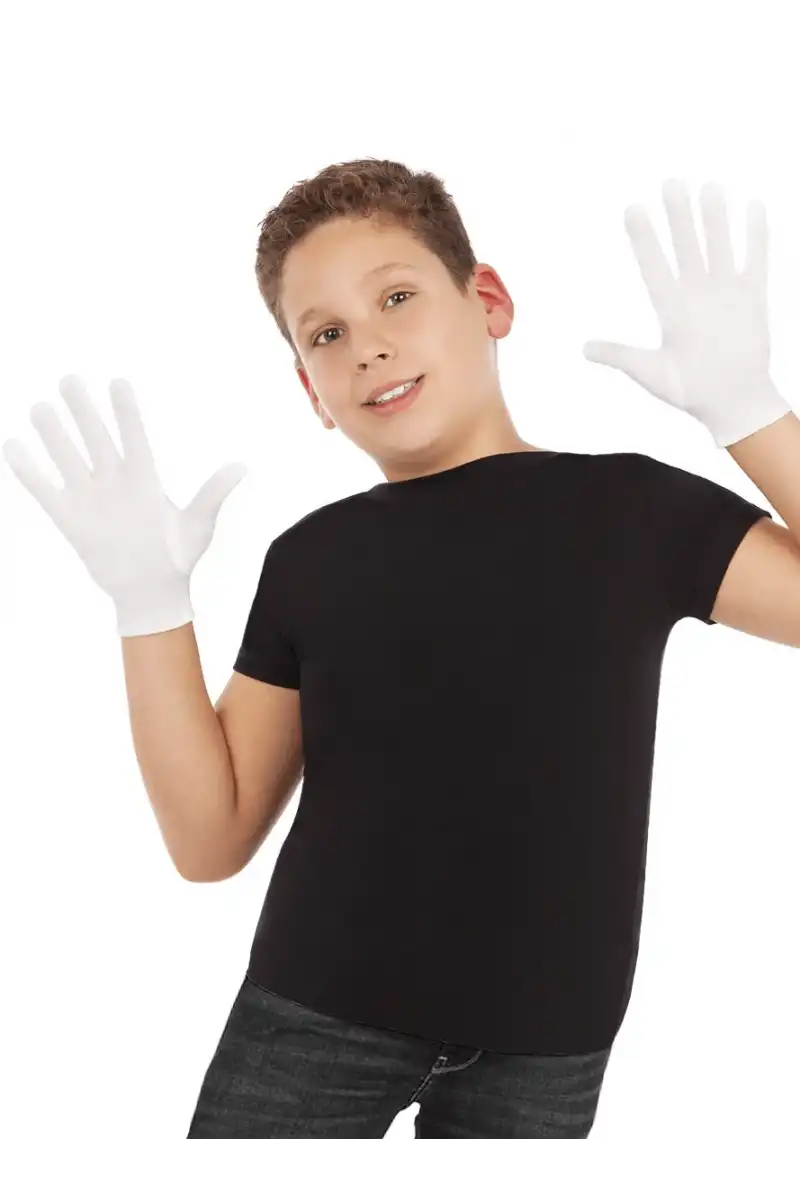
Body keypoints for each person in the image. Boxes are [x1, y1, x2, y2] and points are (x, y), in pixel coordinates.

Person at [1, 158, 775, 1143]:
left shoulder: (633, 508)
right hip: (312, 1018)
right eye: (326, 334)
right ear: (311, 389)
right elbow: (209, 840)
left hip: (548, 1039)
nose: (367, 346)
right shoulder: (311, 558)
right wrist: (149, 605)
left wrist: (749, 414)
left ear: (486, 300)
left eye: (396, 298)